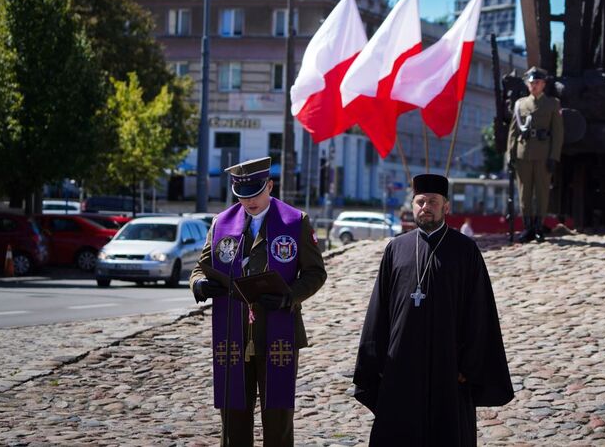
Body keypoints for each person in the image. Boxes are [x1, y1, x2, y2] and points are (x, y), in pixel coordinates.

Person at [352, 173, 513, 446]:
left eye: (433, 202)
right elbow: (379, 310)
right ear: (412, 205)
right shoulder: (396, 249)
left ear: (446, 207)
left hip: (449, 366)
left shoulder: (465, 251)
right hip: (401, 364)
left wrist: (469, 365)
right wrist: (376, 360)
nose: (425, 207)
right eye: (420, 201)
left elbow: (479, 312)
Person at [190, 156, 326, 447]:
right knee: (233, 416)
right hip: (232, 332)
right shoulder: (222, 222)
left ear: (270, 185)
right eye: (242, 196)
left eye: (255, 194)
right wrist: (199, 285)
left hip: (278, 329)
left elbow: (315, 273)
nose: (249, 202)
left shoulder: (295, 221)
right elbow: (201, 266)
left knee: (277, 418)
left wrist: (289, 296)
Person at [507, 66, 564, 242]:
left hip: (543, 154)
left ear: (543, 84)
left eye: (537, 82)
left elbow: (558, 132)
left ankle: (539, 227)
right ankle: (528, 227)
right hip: (523, 153)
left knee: (541, 192)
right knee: (524, 193)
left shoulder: (552, 104)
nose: (534, 85)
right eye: (531, 83)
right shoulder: (520, 104)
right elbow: (513, 132)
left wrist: (554, 156)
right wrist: (511, 155)